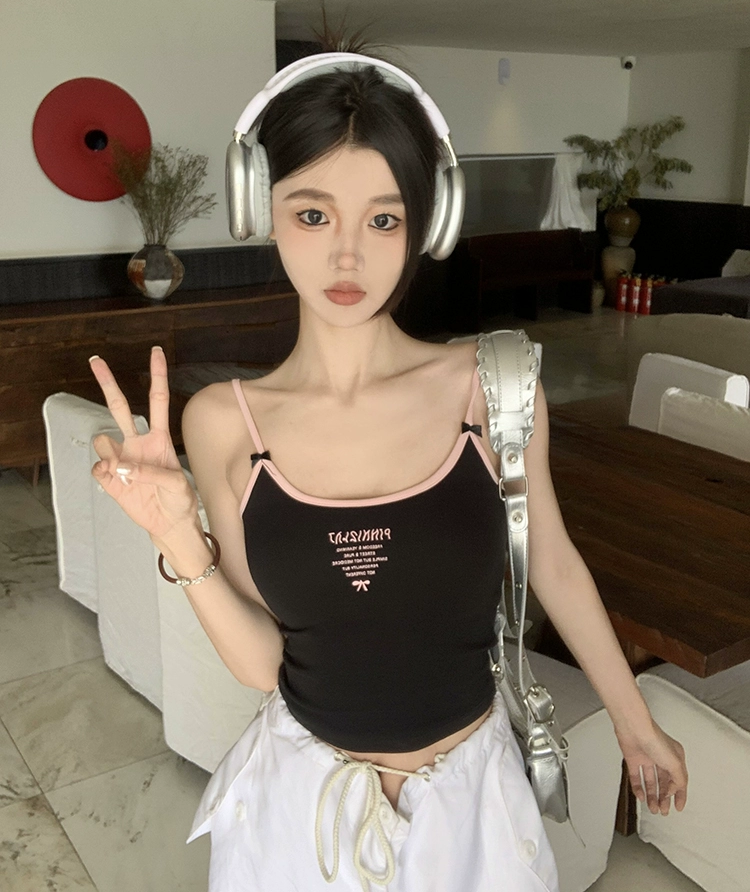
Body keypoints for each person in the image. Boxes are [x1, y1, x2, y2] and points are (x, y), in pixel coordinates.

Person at [88, 56, 688, 892]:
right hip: (300, 820)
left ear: (425, 227)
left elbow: (551, 561)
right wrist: (176, 538)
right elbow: (266, 664)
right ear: (260, 210)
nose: (347, 253)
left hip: (474, 813)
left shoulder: (494, 385)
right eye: (312, 213)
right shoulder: (224, 423)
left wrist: (633, 720)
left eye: (382, 219)